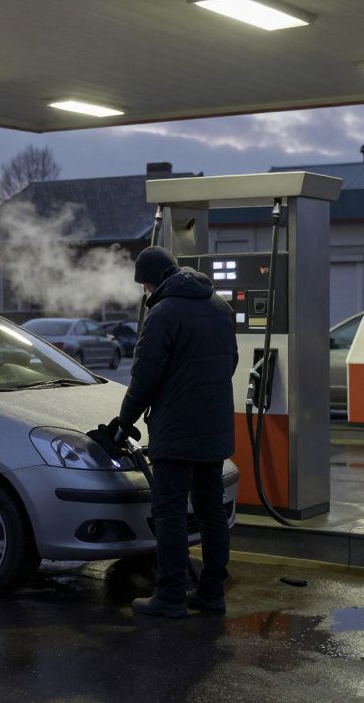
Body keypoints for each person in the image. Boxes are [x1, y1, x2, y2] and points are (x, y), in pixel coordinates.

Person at [112, 246, 238, 619]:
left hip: (177, 429)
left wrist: (124, 421)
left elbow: (144, 378)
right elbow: (229, 361)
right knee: (211, 509)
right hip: (214, 427)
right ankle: (212, 592)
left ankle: (170, 595)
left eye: (145, 285)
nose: (146, 292)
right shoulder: (219, 306)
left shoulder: (164, 313)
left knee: (169, 511)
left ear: (151, 281)